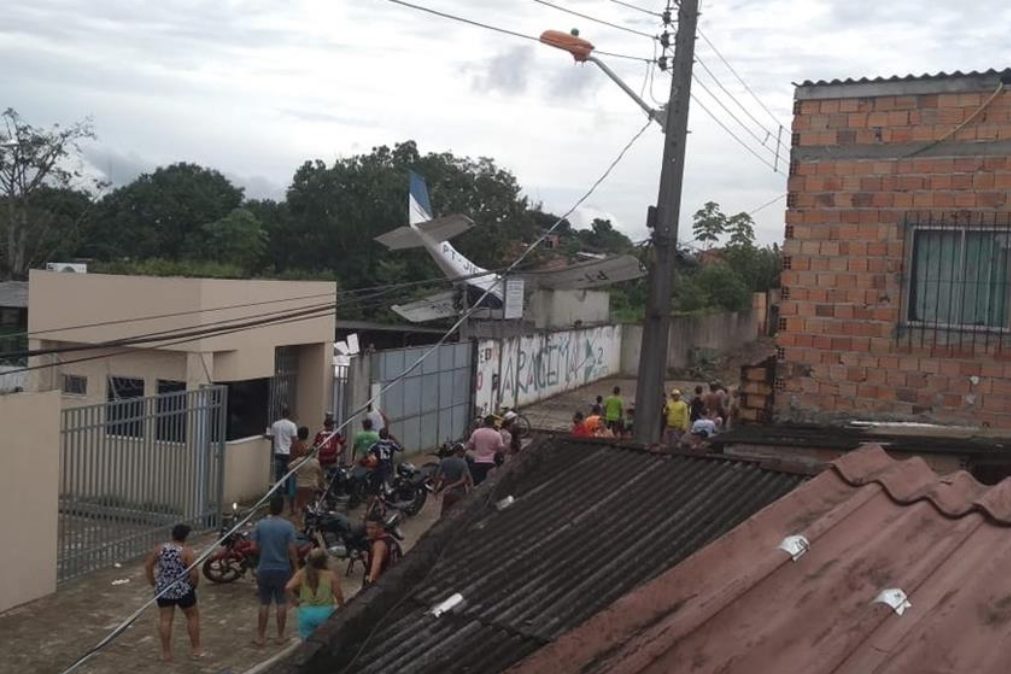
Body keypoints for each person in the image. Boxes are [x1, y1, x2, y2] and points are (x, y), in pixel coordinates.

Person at [145, 524, 202, 662]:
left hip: (164, 589)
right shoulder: (187, 552)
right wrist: (193, 586)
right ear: (185, 537)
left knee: (165, 620)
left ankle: (166, 653)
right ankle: (196, 649)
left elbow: (148, 565)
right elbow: (194, 573)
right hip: (183, 589)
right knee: (192, 616)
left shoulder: (160, 549)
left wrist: (153, 582)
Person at [251, 495, 299, 647]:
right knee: (281, 602)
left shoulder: (260, 524)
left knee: (264, 603)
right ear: (283, 509)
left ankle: (260, 636)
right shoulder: (288, 526)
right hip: (282, 568)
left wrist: (263, 551)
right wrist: (296, 566)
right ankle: (280, 635)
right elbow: (291, 549)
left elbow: (253, 547)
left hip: (264, 567)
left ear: (269, 507)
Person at [285, 548, 345, 640]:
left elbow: (288, 587)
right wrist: (342, 609)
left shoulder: (302, 573)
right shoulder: (330, 575)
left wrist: (295, 602)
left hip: (306, 612)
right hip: (325, 612)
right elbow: (339, 596)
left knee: (307, 643)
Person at [266, 407, 298, 512]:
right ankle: (288, 497)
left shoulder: (275, 424)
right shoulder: (292, 425)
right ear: (289, 414)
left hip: (278, 453)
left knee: (278, 477)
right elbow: (294, 440)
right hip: (288, 454)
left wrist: (266, 436)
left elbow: (272, 437)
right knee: (289, 476)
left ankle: (278, 498)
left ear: (281, 414)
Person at [289, 427, 324, 523]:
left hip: (299, 481)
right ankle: (307, 520)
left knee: (298, 502)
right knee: (308, 504)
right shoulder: (314, 460)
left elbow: (290, 464)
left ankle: (298, 519)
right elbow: (320, 473)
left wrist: (296, 471)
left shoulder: (294, 446)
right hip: (311, 484)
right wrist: (322, 484)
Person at [435, 442, 473, 516]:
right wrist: (471, 487)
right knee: (459, 515)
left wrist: (435, 489)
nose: (464, 454)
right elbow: (464, 479)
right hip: (459, 493)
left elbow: (437, 476)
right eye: (463, 452)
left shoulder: (444, 461)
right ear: (458, 451)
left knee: (443, 515)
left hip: (447, 493)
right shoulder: (463, 463)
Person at [466, 415, 505, 485]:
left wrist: (477, 447)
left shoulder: (476, 432)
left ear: (484, 423)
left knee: (477, 484)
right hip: (491, 463)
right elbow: (501, 450)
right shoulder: (497, 435)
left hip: (478, 461)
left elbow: (470, 446)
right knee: (490, 485)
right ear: (493, 424)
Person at [364, 515, 402, 586]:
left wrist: (370, 582)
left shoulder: (379, 545)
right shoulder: (391, 540)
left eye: (372, 528)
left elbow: (376, 565)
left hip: (382, 585)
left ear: (381, 527)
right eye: (367, 528)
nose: (369, 531)